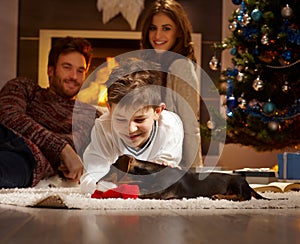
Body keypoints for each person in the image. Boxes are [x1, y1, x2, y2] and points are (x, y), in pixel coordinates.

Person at [0, 36, 101, 188]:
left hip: (27, 158)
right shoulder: (24, 87)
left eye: (80, 71)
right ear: (50, 70)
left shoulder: (90, 115)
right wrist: (61, 149)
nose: (74, 76)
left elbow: (91, 152)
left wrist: (66, 154)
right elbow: (9, 116)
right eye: (67, 67)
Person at [80, 59, 184, 194]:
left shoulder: (170, 126)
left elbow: (164, 178)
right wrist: (110, 186)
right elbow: (91, 178)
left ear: (157, 112)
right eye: (120, 119)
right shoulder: (103, 128)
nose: (130, 129)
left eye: (139, 120)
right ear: (109, 109)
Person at [140, 0, 203, 169]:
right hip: (149, 158)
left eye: (166, 28)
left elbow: (190, 125)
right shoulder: (150, 64)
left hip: (174, 165)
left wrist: (195, 173)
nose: (157, 36)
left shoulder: (181, 66)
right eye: (153, 28)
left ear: (179, 33)